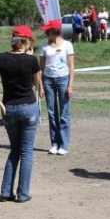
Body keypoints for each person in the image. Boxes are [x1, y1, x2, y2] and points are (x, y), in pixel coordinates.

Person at [0, 25, 40, 203]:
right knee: (27, 152)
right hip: (28, 107)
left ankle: (6, 192)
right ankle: (23, 194)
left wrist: (0, 103)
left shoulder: (0, 58)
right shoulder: (32, 61)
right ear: (26, 41)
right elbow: (37, 83)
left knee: (14, 151)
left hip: (8, 109)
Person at [39, 19, 75, 155]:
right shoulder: (44, 46)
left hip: (63, 79)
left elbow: (71, 66)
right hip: (48, 80)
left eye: (48, 30)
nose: (46, 33)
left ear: (54, 31)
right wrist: (41, 86)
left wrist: (70, 85)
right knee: (52, 113)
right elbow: (41, 67)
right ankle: (54, 143)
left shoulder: (67, 45)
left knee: (64, 113)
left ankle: (64, 145)